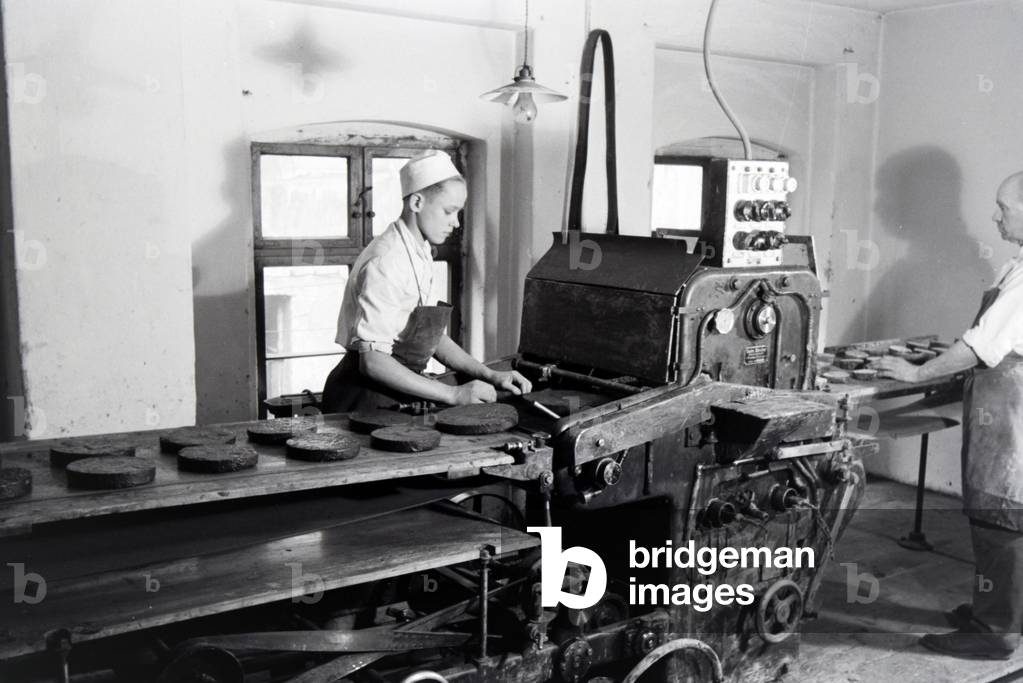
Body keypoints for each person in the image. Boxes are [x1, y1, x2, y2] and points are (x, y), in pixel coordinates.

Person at [877, 171, 1023, 660]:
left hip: (1010, 414)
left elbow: (979, 347)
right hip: (1003, 406)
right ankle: (1000, 614)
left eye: (1004, 206)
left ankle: (995, 632)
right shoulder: (1015, 265)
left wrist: (915, 375)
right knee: (1003, 514)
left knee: (1000, 515)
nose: (995, 215)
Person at [321, 150, 531, 413]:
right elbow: (373, 362)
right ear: (417, 203)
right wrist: (454, 394)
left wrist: (490, 374)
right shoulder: (387, 260)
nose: (455, 223)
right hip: (363, 397)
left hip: (396, 387)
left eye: (458, 213)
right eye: (448, 211)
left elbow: (429, 337)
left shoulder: (419, 251)